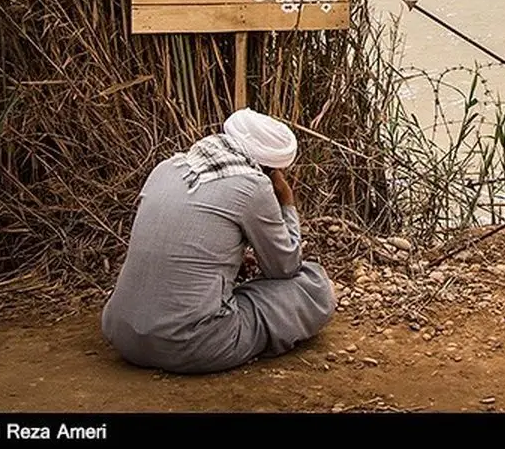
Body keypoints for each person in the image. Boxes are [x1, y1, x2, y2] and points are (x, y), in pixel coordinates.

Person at [101, 107, 335, 374]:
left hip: (121, 333)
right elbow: (284, 267)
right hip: (193, 344)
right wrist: (287, 202)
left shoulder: (165, 168)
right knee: (314, 284)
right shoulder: (253, 184)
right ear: (270, 168)